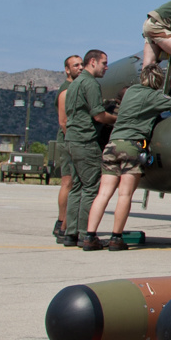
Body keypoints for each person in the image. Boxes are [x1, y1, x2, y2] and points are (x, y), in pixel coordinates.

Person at [82, 64, 171, 251]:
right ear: (158, 81)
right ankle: (116, 238)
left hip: (112, 144)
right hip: (132, 146)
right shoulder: (154, 96)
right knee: (125, 194)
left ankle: (90, 236)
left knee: (103, 194)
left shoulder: (129, 92)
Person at [62, 50, 115, 247]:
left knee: (76, 187)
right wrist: (118, 119)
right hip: (85, 141)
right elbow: (99, 116)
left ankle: (71, 233)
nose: (106, 67)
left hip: (71, 140)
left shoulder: (74, 84)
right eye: (104, 63)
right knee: (91, 187)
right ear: (93, 62)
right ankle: (86, 234)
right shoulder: (90, 83)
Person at [52, 54, 82, 242]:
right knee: (67, 182)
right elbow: (63, 122)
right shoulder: (67, 90)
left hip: (71, 140)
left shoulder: (76, 88)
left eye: (81, 64)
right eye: (75, 65)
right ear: (67, 69)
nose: (79, 68)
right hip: (68, 140)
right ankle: (62, 222)